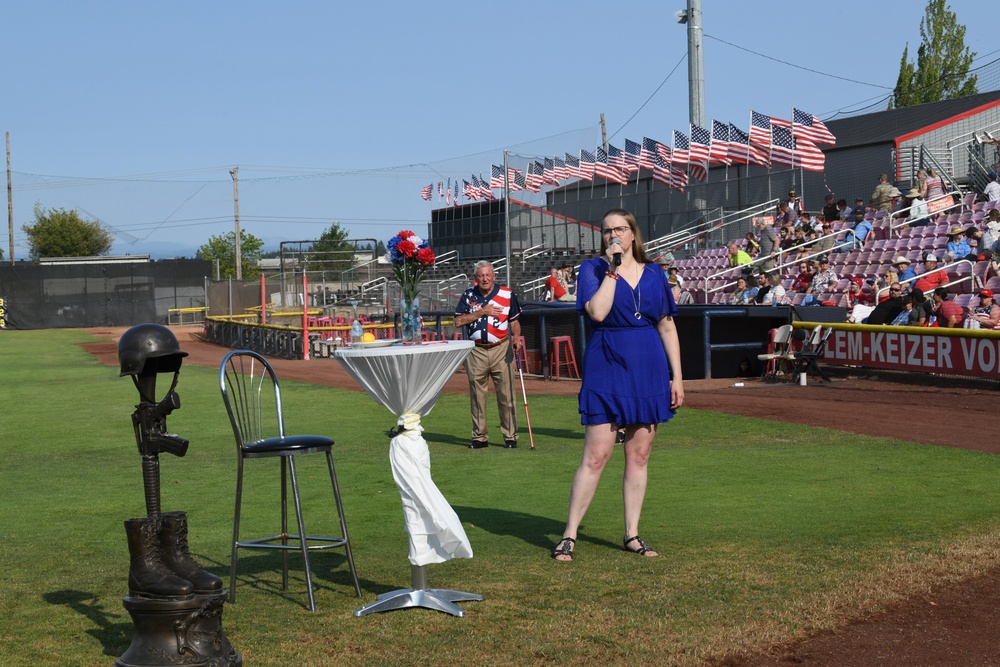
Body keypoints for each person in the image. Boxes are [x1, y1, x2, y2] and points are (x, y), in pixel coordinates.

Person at [551, 208, 683, 562]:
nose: (614, 235)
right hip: (607, 365)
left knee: (639, 455)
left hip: (648, 368)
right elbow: (597, 312)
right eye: (607, 231)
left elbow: (667, 326)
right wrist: (613, 269)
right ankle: (569, 535)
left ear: (633, 233)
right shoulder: (593, 269)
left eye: (620, 229)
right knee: (596, 456)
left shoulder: (655, 274)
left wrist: (678, 378)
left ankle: (632, 534)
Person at [454, 260, 522, 449]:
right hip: (476, 351)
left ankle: (510, 436)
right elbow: (458, 321)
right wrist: (482, 312)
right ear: (475, 278)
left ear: (494, 276)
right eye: (481, 276)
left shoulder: (507, 294)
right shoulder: (468, 295)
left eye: (488, 275)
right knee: (477, 395)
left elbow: (515, 321)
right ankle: (479, 437)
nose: (485, 279)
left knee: (506, 394)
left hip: (501, 348)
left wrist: (516, 336)